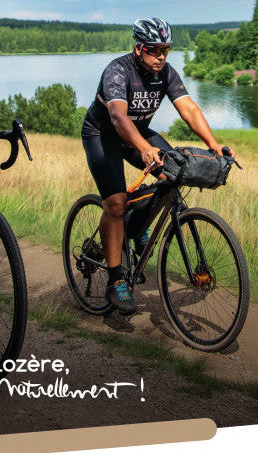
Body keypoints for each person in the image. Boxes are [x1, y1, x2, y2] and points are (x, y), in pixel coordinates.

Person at [81, 17, 233, 316]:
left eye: (165, 49)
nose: (161, 56)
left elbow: (188, 107)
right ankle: (115, 280)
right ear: (138, 48)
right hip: (104, 135)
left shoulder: (165, 72)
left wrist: (213, 143)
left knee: (175, 171)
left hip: (138, 133)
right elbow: (117, 117)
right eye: (154, 50)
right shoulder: (118, 70)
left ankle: (136, 225)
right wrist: (144, 148)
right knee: (115, 203)